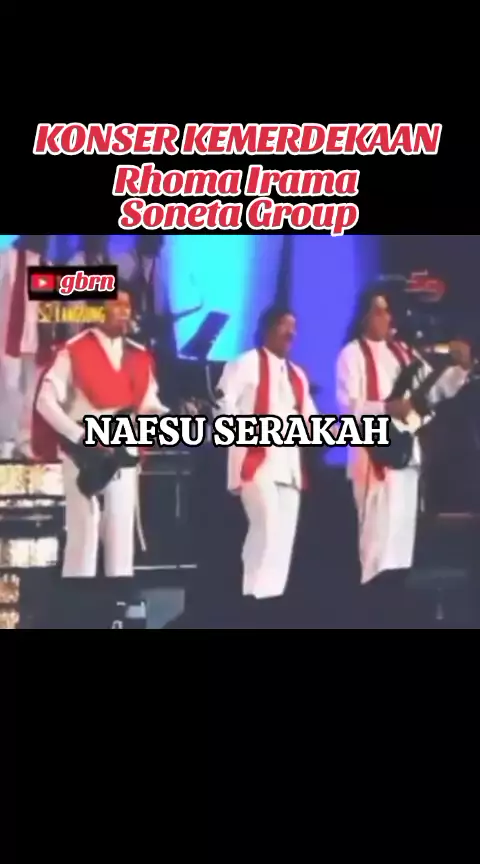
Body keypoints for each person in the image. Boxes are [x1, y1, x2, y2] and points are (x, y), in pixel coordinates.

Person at [336, 288, 472, 626]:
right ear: (364, 316)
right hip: (373, 460)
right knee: (376, 552)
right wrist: (385, 408)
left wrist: (460, 367)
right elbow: (348, 406)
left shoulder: (403, 352)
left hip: (406, 458)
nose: (387, 317)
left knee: (400, 551)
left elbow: (434, 392)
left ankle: (395, 615)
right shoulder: (352, 354)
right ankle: (372, 615)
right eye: (379, 311)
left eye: (388, 311)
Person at [32, 288, 169, 580]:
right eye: (116, 305)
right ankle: (77, 602)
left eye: (128, 306)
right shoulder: (73, 350)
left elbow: (149, 403)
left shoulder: (139, 355)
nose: (124, 312)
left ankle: (118, 599)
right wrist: (78, 435)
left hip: (124, 449)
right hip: (84, 455)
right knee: (83, 533)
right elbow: (45, 402)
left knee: (121, 535)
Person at [216, 306, 318, 618]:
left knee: (283, 541)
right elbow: (222, 406)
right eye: (285, 325)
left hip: (289, 468)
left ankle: (270, 605)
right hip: (256, 463)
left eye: (294, 327)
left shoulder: (297, 374)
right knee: (266, 529)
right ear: (268, 328)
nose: (291, 333)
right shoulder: (244, 363)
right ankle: (252, 603)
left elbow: (310, 421)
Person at [0, 235, 50, 458]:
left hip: (34, 339)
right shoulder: (6, 258)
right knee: (9, 390)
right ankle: (7, 440)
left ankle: (23, 439)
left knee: (31, 393)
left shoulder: (44, 264)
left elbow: (47, 306)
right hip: (8, 337)